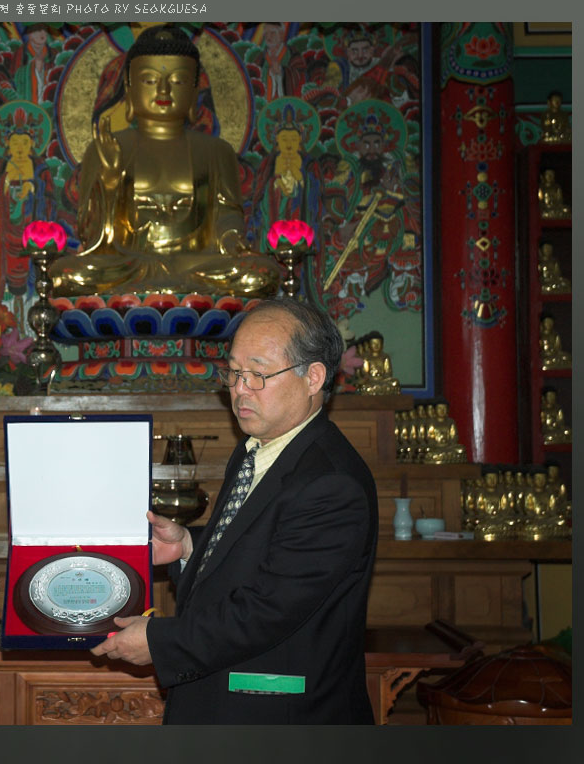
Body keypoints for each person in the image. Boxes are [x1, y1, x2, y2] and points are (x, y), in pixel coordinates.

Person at [91, 297, 378, 724]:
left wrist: (160, 641)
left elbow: (267, 610)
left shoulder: (331, 483)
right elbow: (263, 547)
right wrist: (190, 545)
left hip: (280, 717)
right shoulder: (258, 452)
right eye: (233, 373)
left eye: (258, 374)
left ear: (313, 377)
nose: (240, 389)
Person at [49, 24, 279, 298]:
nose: (163, 90)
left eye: (178, 81)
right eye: (148, 80)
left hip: (197, 264)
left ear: (195, 93)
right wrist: (109, 183)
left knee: (263, 274)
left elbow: (227, 216)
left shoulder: (216, 151)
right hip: (129, 264)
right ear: (129, 88)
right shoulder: (107, 148)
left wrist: (233, 243)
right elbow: (91, 234)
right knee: (64, 275)